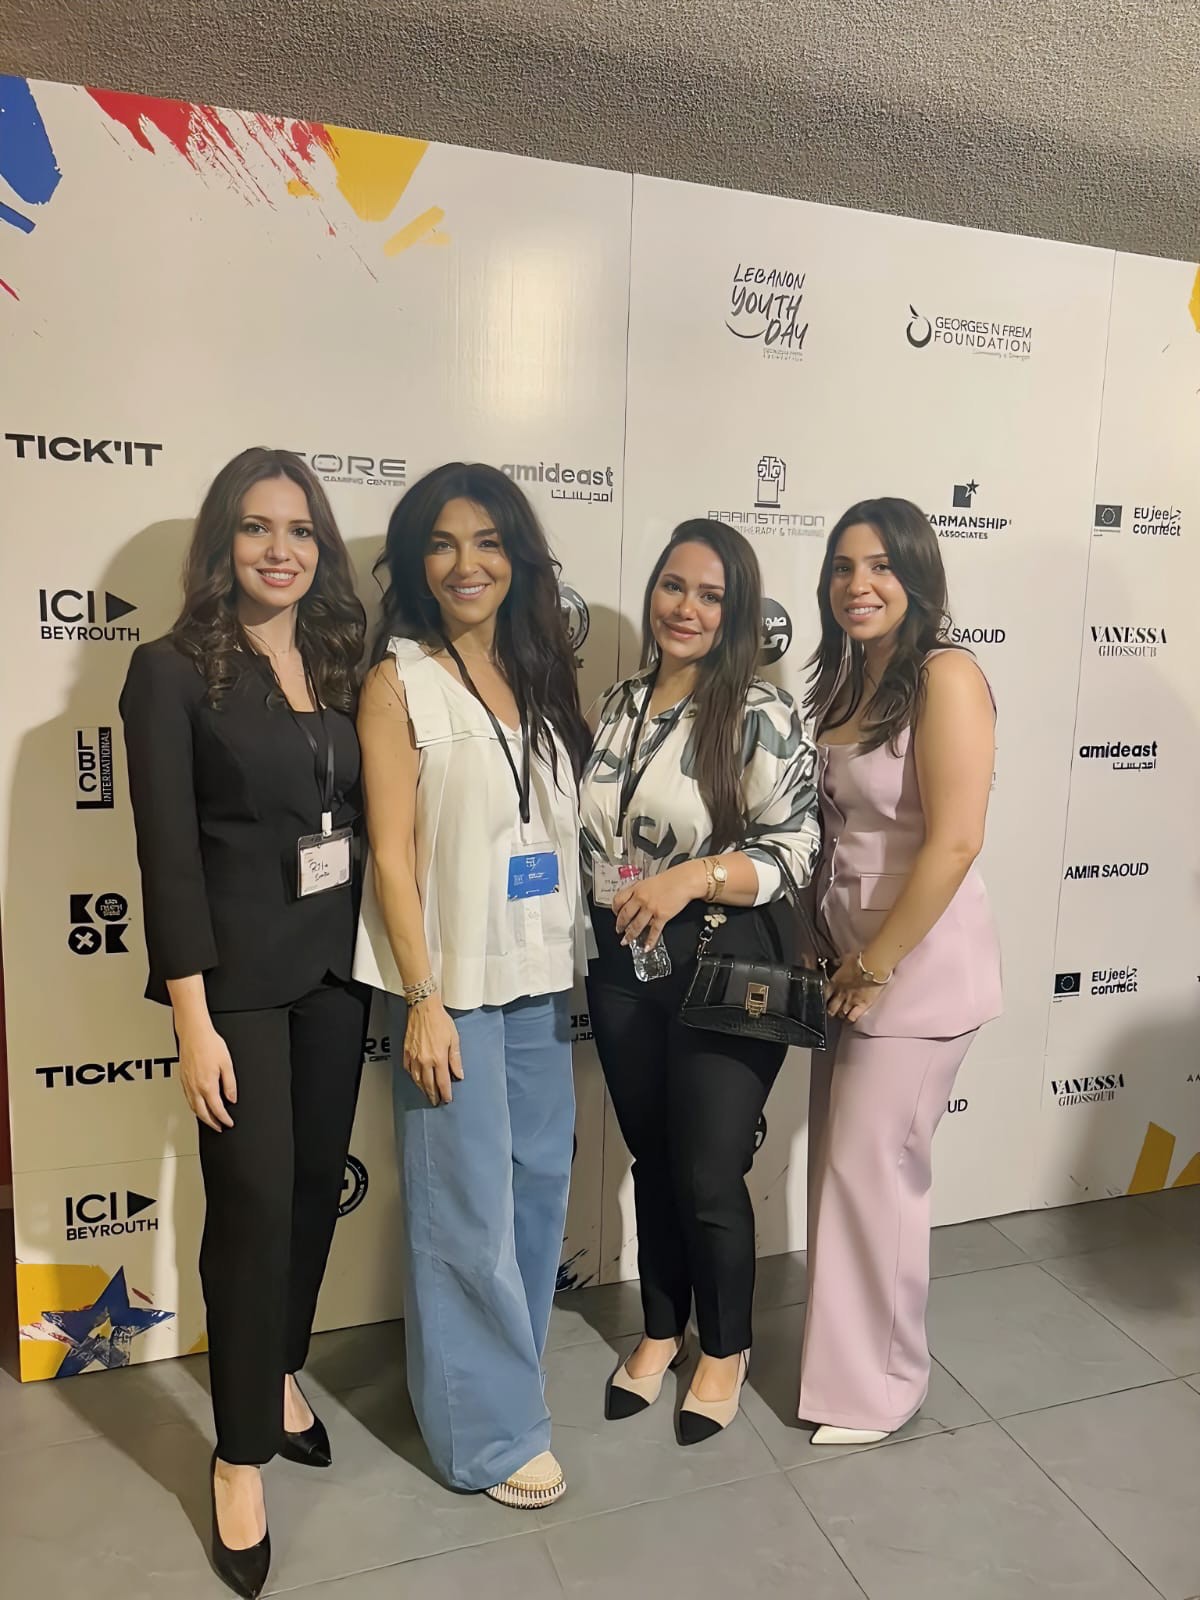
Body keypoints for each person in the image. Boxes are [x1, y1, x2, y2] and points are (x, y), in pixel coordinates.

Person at [120, 447, 368, 1599]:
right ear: (225, 540)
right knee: (254, 1203)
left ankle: (277, 1367)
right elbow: (167, 857)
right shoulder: (169, 672)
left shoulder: (339, 661)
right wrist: (193, 1017)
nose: (282, 548)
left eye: (302, 529)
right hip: (235, 991)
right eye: (260, 527)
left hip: (335, 974)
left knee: (314, 1185)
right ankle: (237, 1455)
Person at [354, 462, 590, 1508]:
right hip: (449, 985)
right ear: (416, 561)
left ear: (516, 557)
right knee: (464, 1212)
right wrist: (421, 998)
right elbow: (391, 855)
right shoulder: (397, 682)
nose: (467, 563)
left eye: (488, 541)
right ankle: (484, 1438)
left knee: (536, 1190)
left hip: (538, 974)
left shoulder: (537, 672)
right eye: (443, 543)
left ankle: (504, 1380)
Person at [581, 518, 820, 1444]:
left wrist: (694, 876)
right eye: (673, 586)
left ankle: (725, 1346)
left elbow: (796, 847)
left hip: (723, 959)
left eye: (711, 595)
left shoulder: (763, 711)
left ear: (739, 610)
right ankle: (659, 1328)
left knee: (710, 1169)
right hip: (620, 961)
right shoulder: (620, 700)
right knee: (653, 1158)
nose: (686, 608)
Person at [797, 496, 1002, 1446]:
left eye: (880, 565)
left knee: (873, 1172)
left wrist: (877, 965)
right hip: (848, 963)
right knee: (850, 1173)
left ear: (916, 574)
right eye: (844, 566)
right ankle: (850, 1372)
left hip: (913, 970)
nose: (858, 584)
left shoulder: (945, 676)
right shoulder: (849, 679)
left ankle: (883, 1387)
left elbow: (954, 841)